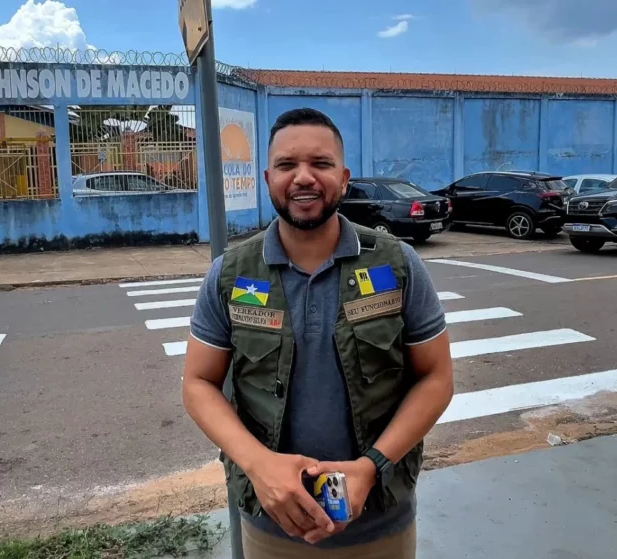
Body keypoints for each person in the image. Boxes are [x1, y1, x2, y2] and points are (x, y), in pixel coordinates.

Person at [182, 107, 454, 558]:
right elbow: (197, 384)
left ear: (343, 178)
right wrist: (259, 465)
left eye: (320, 164)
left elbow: (437, 377)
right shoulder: (230, 274)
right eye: (288, 165)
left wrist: (373, 466)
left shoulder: (397, 264)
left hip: (380, 526)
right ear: (268, 178)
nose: (303, 178)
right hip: (271, 529)